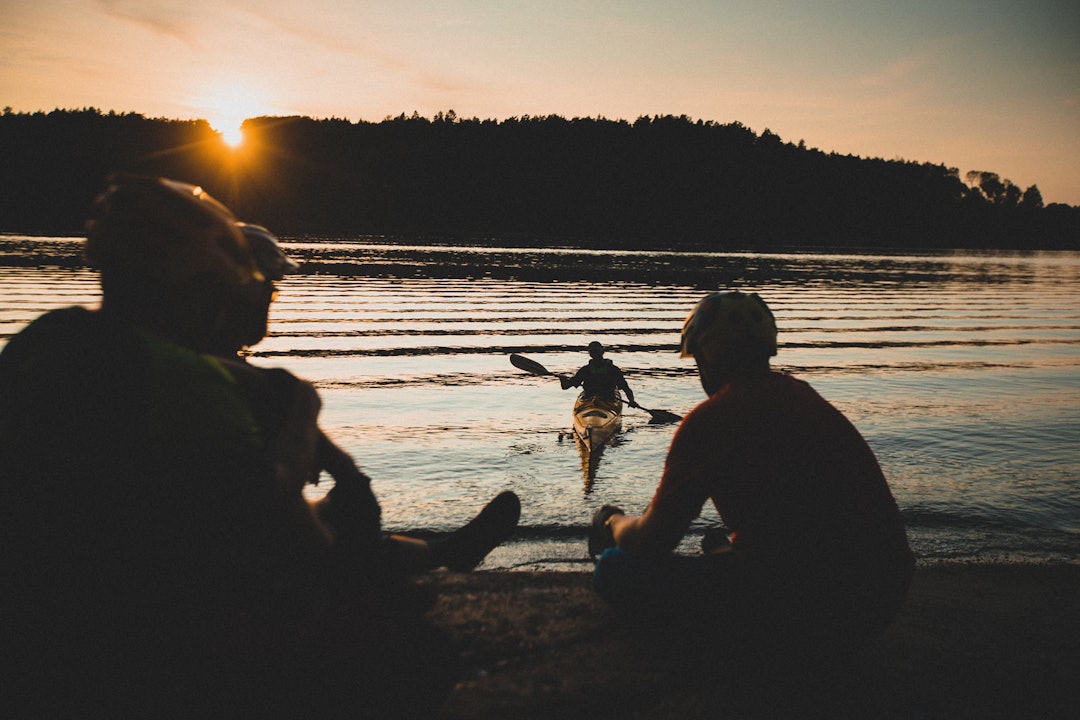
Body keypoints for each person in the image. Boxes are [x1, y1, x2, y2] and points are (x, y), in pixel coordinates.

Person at [0, 175, 519, 719]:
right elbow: (288, 540)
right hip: (138, 645)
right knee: (423, 657)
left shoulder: (40, 341)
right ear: (198, 284)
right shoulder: (191, 385)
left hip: (41, 618)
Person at [588, 291, 914, 660]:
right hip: (878, 606)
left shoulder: (711, 421)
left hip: (810, 618)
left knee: (614, 568)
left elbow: (651, 540)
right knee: (721, 542)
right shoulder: (807, 399)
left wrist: (612, 521)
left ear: (706, 357)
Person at [561, 340, 638, 407]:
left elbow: (566, 386)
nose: (595, 353)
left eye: (596, 351)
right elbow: (565, 386)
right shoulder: (585, 370)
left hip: (608, 401)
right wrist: (562, 379)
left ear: (602, 352)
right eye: (593, 351)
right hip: (590, 401)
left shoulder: (612, 370)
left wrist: (632, 401)